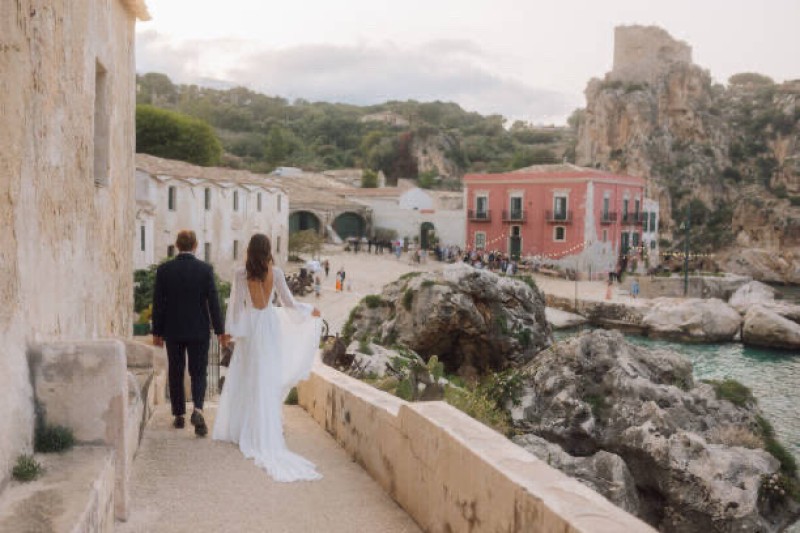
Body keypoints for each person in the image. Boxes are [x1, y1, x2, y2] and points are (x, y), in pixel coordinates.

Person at [213, 233, 323, 482]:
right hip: (269, 325)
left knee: (247, 375)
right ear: (268, 250)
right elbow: (289, 303)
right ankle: (264, 427)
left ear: (250, 250)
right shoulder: (278, 273)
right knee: (267, 376)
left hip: (251, 326)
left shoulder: (241, 274)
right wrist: (309, 310)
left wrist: (231, 331)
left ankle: (242, 426)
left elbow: (236, 306)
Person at [152, 230, 225, 437]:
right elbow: (214, 303)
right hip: (199, 330)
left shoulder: (164, 270)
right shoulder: (205, 270)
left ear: (177, 245)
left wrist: (157, 332)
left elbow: (158, 304)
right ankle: (198, 409)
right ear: (195, 246)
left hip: (173, 330)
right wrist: (220, 331)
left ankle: (179, 415)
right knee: (198, 372)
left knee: (176, 371)